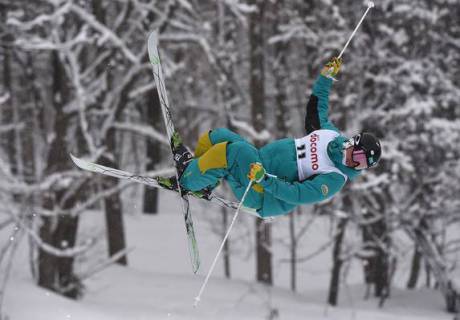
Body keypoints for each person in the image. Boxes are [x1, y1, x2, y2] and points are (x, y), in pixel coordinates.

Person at [164, 57, 382, 218]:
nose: (356, 164)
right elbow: (318, 108)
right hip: (257, 165)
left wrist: (264, 180)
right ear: (353, 142)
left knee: (235, 151)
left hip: (262, 193)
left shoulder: (335, 178)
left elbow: (298, 195)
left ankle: (187, 180)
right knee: (215, 137)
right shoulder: (329, 135)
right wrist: (325, 79)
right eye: (359, 157)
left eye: (362, 165)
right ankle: (202, 180)